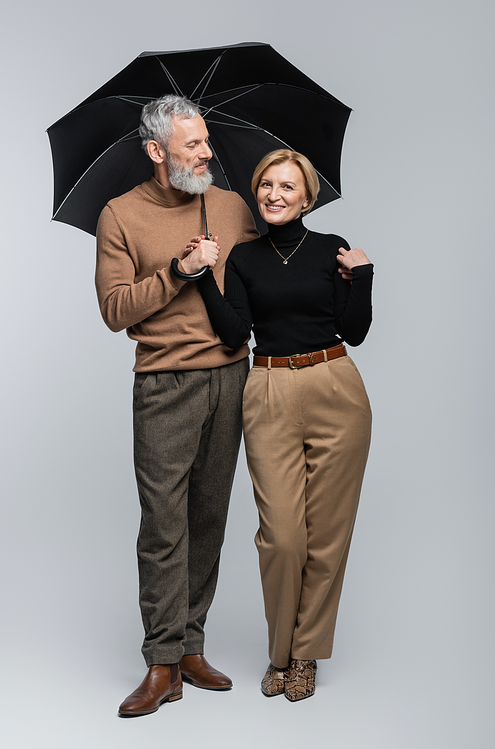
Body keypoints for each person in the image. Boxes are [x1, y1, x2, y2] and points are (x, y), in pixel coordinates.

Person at [188, 149, 373, 702]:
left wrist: (363, 276)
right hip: (266, 390)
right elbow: (232, 335)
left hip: (335, 386)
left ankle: (304, 657)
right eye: (266, 184)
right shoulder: (243, 257)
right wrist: (202, 277)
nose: (274, 194)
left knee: (327, 537)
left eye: (287, 186)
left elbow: (355, 330)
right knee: (283, 537)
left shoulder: (330, 249)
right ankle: (279, 651)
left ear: (307, 197)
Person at [95, 94, 258, 717]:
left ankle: (191, 645)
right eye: (194, 145)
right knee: (164, 526)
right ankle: (161, 664)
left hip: (232, 378)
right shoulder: (120, 215)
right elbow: (114, 311)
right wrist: (178, 269)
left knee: (210, 515)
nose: (208, 152)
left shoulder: (230, 206)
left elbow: (266, 269)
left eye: (207, 140)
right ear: (157, 151)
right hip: (165, 384)